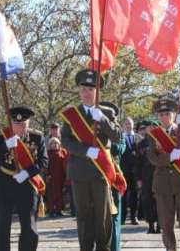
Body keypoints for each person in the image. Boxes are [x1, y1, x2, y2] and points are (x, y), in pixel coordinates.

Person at [61, 69, 121, 251]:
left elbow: (118, 136)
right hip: (79, 172)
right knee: (84, 217)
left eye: (90, 89)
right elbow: (66, 141)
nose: (86, 93)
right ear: (79, 91)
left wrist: (103, 120)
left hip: (101, 172)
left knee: (103, 218)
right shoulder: (71, 115)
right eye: (83, 89)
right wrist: (87, 151)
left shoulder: (107, 112)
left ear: (97, 91)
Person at [0, 106, 48, 251]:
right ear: (10, 123)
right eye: (16, 125)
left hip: (27, 184)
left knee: (29, 227)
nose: (20, 128)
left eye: (23, 124)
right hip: (5, 184)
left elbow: (43, 161)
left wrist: (27, 173)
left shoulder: (37, 137)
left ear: (28, 124)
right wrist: (5, 146)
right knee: (3, 224)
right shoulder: (2, 136)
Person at [147, 97, 180, 251]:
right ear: (157, 117)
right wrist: (170, 158)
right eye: (161, 115)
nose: (164, 117)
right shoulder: (153, 134)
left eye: (168, 114)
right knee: (166, 223)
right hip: (163, 185)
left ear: (174, 115)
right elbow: (152, 158)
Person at [98, 101, 125, 251]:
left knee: (113, 217)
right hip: (94, 176)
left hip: (111, 177)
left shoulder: (116, 131)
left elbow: (118, 149)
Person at [135, 120, 160, 234]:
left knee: (160, 201)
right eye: (149, 127)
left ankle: (160, 224)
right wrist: (138, 179)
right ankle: (150, 224)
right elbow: (138, 163)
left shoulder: (162, 141)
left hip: (159, 175)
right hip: (146, 176)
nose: (151, 129)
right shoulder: (141, 144)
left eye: (154, 126)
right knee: (147, 201)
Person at [120, 117, 140, 225]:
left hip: (136, 172)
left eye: (130, 123)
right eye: (126, 123)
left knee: (135, 195)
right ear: (123, 126)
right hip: (123, 171)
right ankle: (122, 217)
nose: (128, 125)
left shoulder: (139, 138)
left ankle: (133, 217)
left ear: (133, 125)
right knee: (122, 194)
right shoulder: (119, 138)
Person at [46, 137, 67, 217]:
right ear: (49, 145)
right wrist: (47, 175)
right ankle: (51, 210)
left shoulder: (62, 152)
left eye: (56, 143)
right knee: (51, 194)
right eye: (52, 143)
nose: (54, 145)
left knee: (60, 193)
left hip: (61, 176)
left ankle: (59, 210)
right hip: (51, 177)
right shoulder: (47, 153)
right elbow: (46, 165)